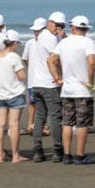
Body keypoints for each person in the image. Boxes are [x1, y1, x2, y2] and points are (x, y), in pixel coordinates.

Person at [48, 16, 95, 165]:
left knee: (67, 122)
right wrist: (90, 81)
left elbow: (50, 60)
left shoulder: (64, 42)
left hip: (67, 89)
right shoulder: (88, 42)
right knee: (82, 123)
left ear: (73, 28)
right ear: (86, 29)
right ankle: (80, 155)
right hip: (82, 89)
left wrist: (57, 78)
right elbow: (91, 61)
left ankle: (67, 154)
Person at [27, 12, 66, 162]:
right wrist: (60, 77)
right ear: (50, 23)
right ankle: (57, 150)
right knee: (55, 118)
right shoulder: (50, 38)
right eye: (58, 25)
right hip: (49, 83)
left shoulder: (40, 36)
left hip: (37, 83)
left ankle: (37, 150)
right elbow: (55, 60)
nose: (59, 28)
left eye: (62, 26)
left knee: (40, 117)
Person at [0, 31, 29, 163]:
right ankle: (15, 155)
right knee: (13, 124)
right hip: (14, 93)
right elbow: (22, 76)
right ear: (14, 43)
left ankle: (0, 155)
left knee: (0, 124)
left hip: (0, 93)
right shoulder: (13, 56)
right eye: (18, 43)